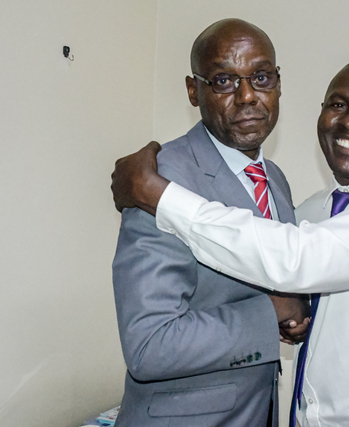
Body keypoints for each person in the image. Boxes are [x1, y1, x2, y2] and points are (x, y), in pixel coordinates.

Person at [112, 59, 349, 427]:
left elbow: (297, 259)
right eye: (338, 105)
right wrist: (291, 316)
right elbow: (279, 260)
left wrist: (159, 196)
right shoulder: (313, 211)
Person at [111, 19, 310, 427]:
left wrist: (293, 315)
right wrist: (270, 313)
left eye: (261, 77)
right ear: (193, 90)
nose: (247, 96)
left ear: (278, 83)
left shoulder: (273, 178)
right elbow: (150, 345)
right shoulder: (161, 180)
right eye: (223, 80)